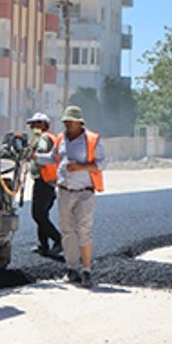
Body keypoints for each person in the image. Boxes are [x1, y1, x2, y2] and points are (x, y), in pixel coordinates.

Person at [54, 105, 105, 289]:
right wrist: (34, 156)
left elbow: (101, 164)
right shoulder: (60, 139)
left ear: (79, 122)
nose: (66, 124)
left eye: (70, 121)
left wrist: (80, 167)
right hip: (64, 191)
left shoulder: (91, 140)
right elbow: (53, 158)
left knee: (84, 230)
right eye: (65, 121)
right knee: (67, 231)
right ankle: (71, 268)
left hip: (84, 192)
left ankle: (86, 270)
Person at [26, 112, 62, 258]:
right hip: (50, 181)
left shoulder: (43, 138)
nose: (32, 127)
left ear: (43, 124)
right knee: (42, 214)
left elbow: (40, 153)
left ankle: (59, 240)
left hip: (43, 181)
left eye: (35, 124)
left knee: (38, 214)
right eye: (31, 125)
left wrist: (31, 153)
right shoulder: (50, 137)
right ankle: (43, 245)